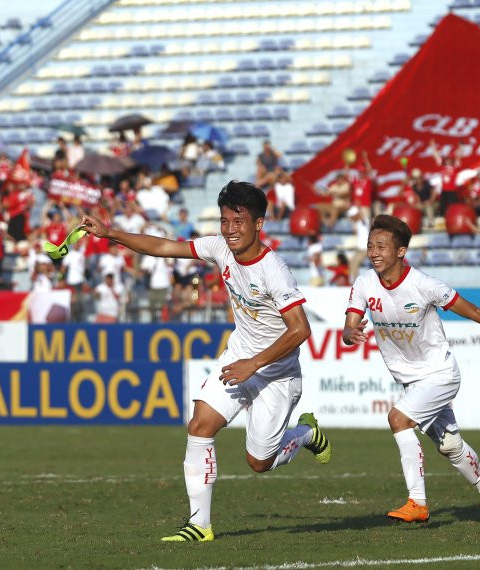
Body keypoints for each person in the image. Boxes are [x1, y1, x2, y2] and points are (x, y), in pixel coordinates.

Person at [80, 181, 331, 543]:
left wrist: (254, 364)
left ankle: (306, 433)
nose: (229, 229)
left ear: (258, 224)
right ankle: (200, 525)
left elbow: (300, 329)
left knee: (260, 463)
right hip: (239, 358)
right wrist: (111, 234)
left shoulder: (274, 270)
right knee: (200, 425)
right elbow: (166, 247)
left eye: (238, 221)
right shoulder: (219, 246)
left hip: (276, 373)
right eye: (224, 220)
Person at [343, 214, 480, 524]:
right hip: (410, 381)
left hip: (440, 374)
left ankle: (417, 502)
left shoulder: (425, 285)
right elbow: (349, 326)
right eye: (370, 246)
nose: (373, 252)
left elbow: (474, 311)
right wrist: (350, 334)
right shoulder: (364, 283)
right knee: (450, 445)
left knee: (398, 418)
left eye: (381, 246)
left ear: (400, 252)